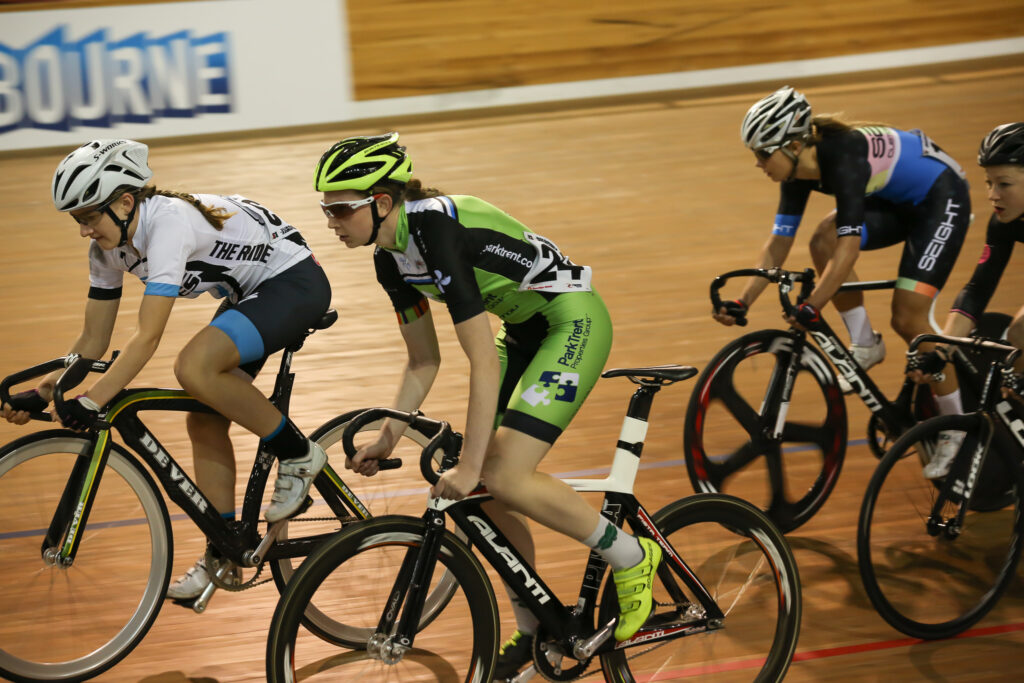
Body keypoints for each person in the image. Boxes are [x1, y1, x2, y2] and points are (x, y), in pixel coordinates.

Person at [317, 132, 660, 678]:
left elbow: (479, 361)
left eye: (339, 208)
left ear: (381, 202)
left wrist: (474, 462)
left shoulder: (435, 228)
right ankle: (536, 629)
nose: (330, 221)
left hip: (571, 321)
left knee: (503, 474)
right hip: (524, 332)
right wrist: (388, 435)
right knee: (486, 491)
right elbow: (422, 361)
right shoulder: (389, 259)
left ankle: (631, 556)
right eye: (325, 209)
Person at [0, 139, 332, 599]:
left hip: (293, 281)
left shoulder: (167, 224)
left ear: (125, 201)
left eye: (89, 217)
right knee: (204, 416)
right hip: (252, 295)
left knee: (193, 366)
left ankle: (298, 452)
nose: (84, 231)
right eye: (77, 220)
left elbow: (147, 337)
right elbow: (93, 343)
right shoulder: (106, 250)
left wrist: (96, 399)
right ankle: (226, 551)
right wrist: (46, 391)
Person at [713, 85, 972, 464]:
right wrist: (743, 300)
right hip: (894, 201)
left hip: (940, 200)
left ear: (794, 146)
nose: (758, 163)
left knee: (908, 317)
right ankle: (865, 343)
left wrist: (813, 305)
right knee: (822, 239)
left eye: (763, 153)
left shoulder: (845, 158)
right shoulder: (797, 172)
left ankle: (957, 425)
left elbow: (848, 250)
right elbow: (779, 243)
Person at [906, 122, 1024, 477]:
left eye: (1004, 184)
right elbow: (978, 288)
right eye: (989, 183)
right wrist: (943, 348)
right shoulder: (1003, 222)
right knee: (1018, 341)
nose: (992, 195)